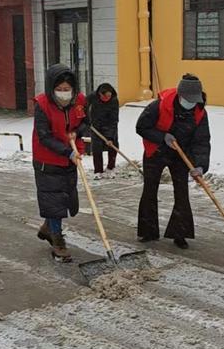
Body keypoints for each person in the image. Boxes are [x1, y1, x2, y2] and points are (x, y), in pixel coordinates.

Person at [136, 74, 211, 250]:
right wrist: (163, 137)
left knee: (182, 192)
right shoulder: (159, 105)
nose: (191, 103)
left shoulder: (199, 112)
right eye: (188, 100)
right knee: (150, 189)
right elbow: (141, 127)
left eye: (194, 100)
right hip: (156, 151)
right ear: (180, 95)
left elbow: (201, 141)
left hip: (180, 154)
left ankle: (180, 233)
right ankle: (148, 231)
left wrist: (200, 165)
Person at [32, 64, 90, 262]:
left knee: (63, 199)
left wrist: (77, 132)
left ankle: (49, 227)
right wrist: (67, 151)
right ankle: (57, 240)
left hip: (70, 158)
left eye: (67, 89)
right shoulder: (42, 105)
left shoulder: (79, 101)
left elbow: (86, 122)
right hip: (47, 161)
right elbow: (44, 137)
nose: (64, 93)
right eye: (59, 89)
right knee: (53, 200)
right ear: (51, 88)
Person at [87, 82, 120, 177]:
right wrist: (86, 120)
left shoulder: (114, 100)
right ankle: (98, 171)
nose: (107, 98)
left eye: (108, 96)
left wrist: (110, 137)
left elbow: (114, 119)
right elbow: (83, 107)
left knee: (113, 146)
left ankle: (111, 167)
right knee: (96, 148)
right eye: (104, 97)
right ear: (99, 94)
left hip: (110, 124)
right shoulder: (92, 97)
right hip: (95, 125)